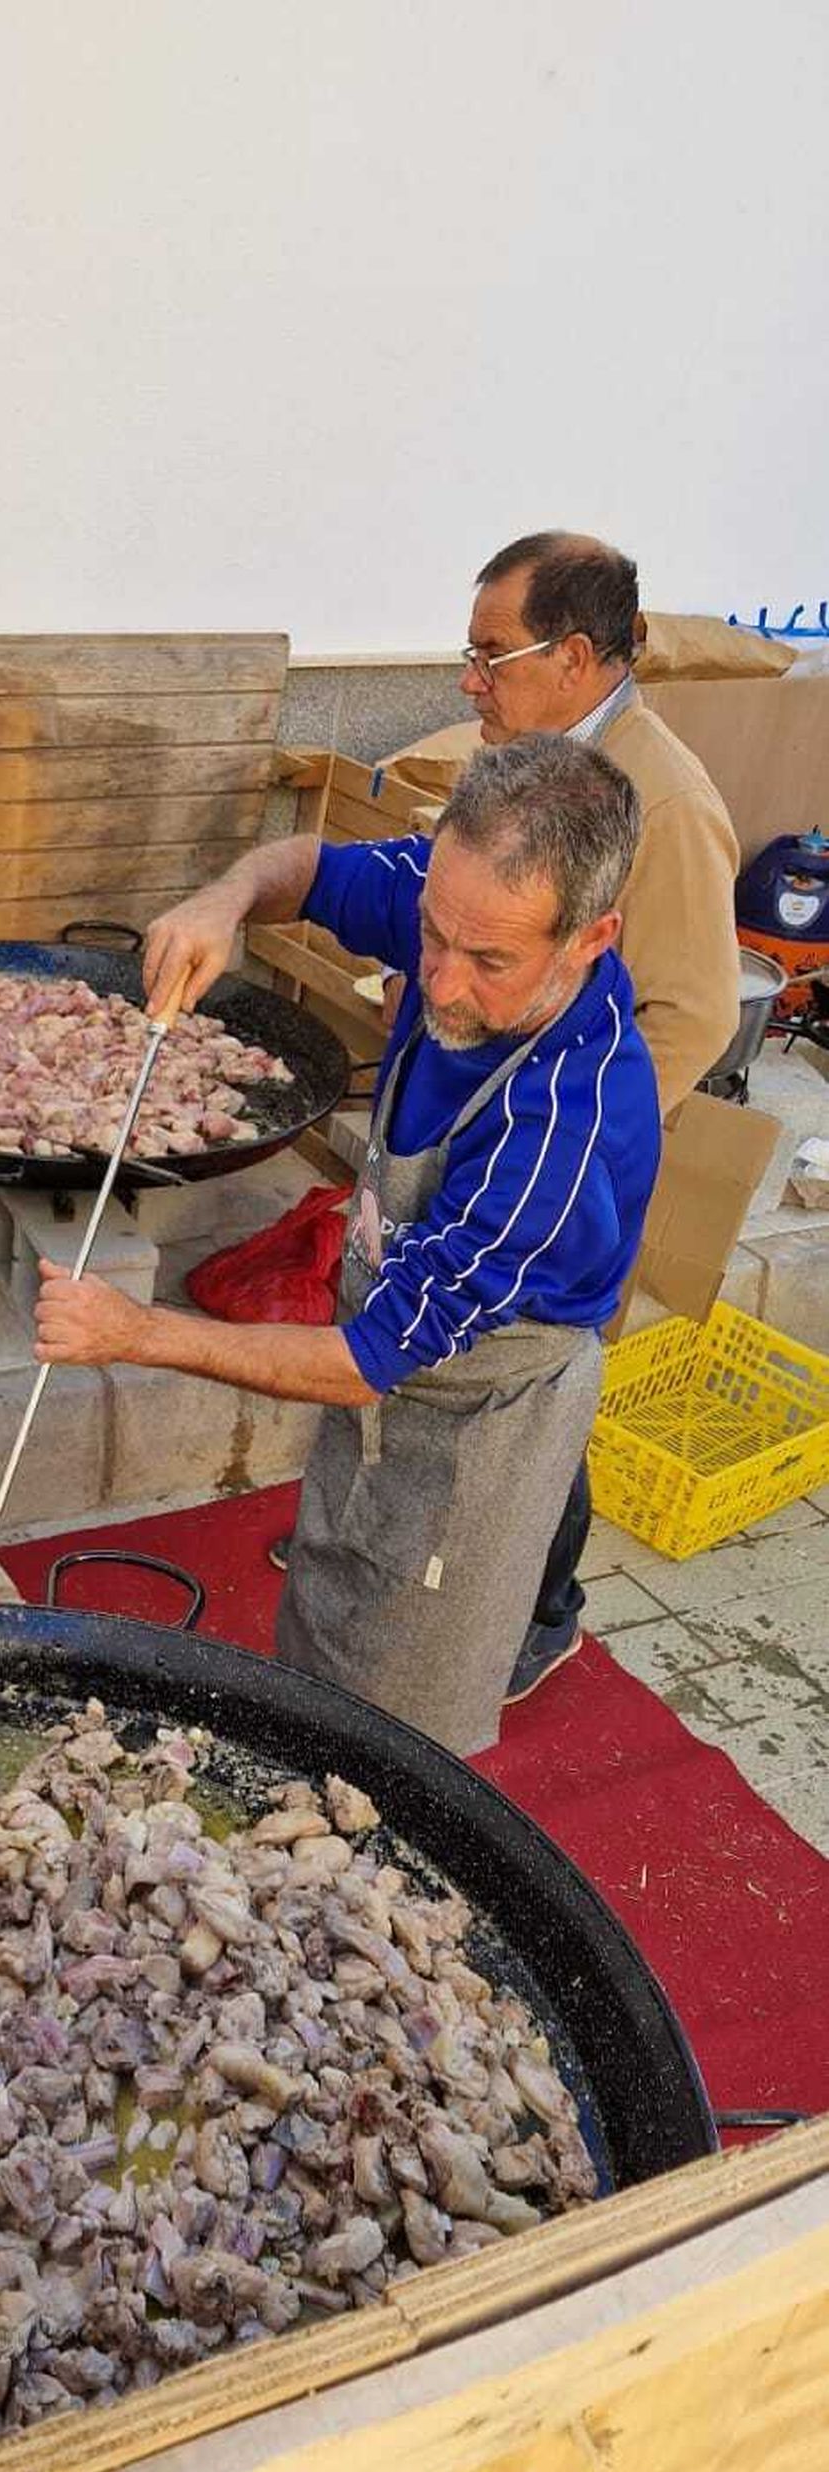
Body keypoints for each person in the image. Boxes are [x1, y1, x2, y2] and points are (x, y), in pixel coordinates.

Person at [34, 735, 659, 1762]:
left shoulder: (560, 1131)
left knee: (400, 1705)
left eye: (489, 962)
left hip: (477, 1417)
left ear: (592, 938)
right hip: (380, 1365)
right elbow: (311, 869)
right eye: (430, 938)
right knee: (324, 1594)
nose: (441, 983)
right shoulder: (462, 894)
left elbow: (360, 1364)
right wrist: (222, 903)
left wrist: (137, 1332)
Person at [413, 533, 741, 1693]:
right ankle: (405, 1550)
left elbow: (694, 1012)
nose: (468, 679)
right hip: (479, 1129)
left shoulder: (669, 802)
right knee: (445, 1354)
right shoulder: (519, 759)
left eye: (491, 654)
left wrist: (563, 1143)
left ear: (580, 656)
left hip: (564, 1165)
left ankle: (544, 1609)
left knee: (535, 1382)